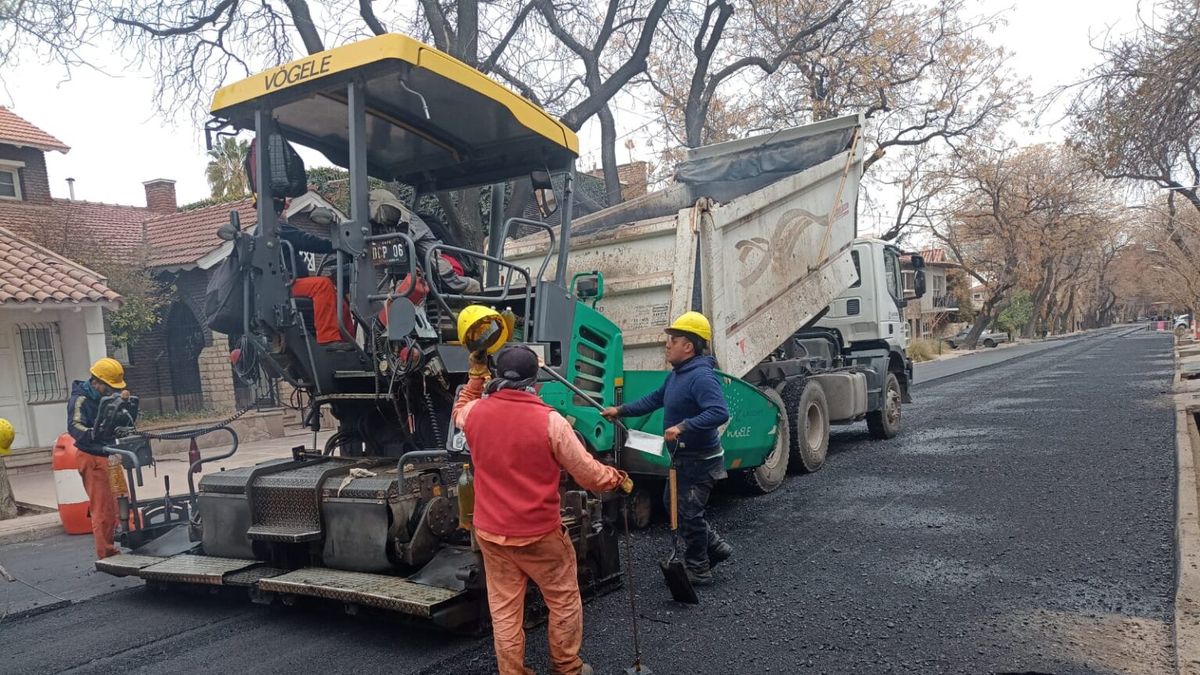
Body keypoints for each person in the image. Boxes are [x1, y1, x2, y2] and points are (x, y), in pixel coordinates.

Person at [452, 343, 632, 675]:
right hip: (538, 534)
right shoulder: (551, 422)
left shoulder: (476, 412)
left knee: (505, 611)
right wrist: (616, 479)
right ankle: (566, 667)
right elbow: (587, 473)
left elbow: (459, 408)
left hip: (491, 532)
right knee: (563, 600)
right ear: (535, 381)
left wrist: (474, 378)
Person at [602, 311, 732, 585]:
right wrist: (620, 410)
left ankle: (699, 568)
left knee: (687, 512)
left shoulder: (701, 377)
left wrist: (683, 427)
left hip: (701, 460)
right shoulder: (678, 375)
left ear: (689, 346)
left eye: (673, 340)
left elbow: (719, 412)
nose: (667, 344)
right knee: (672, 505)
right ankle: (715, 547)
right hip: (683, 458)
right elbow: (654, 399)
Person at [66, 357, 126, 560]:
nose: (111, 392)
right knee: (103, 509)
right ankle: (107, 553)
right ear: (96, 382)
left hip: (110, 453)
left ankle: (132, 540)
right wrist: (93, 433)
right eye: (108, 387)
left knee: (123, 500)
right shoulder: (80, 399)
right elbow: (74, 426)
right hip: (92, 456)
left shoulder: (107, 398)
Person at [368, 189, 482, 294]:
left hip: (427, 266)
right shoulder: (381, 229)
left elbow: (434, 258)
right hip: (405, 277)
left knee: (434, 260)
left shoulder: (412, 223)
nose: (381, 217)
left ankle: (471, 286)